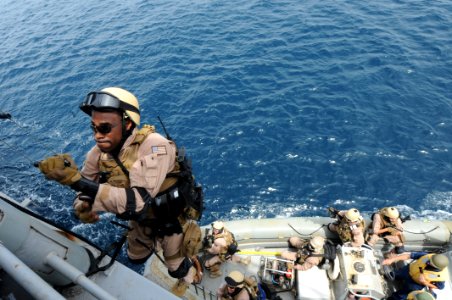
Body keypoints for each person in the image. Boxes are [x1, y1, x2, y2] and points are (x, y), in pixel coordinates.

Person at [37, 87, 204, 296]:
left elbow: (138, 200)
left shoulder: (156, 147)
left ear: (127, 123)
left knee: (175, 268)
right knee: (136, 258)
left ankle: (189, 268)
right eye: (94, 128)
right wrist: (83, 205)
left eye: (105, 128)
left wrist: (77, 182)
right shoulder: (97, 155)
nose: (98, 135)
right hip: (142, 220)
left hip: (171, 220)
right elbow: (84, 191)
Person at [382, 252, 449, 300]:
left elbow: (440, 287)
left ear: (436, 267)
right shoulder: (428, 256)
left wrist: (425, 283)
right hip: (408, 270)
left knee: (402, 295)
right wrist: (391, 260)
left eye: (430, 263)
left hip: (416, 283)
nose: (428, 262)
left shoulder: (441, 277)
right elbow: (409, 256)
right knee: (393, 274)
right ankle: (392, 276)